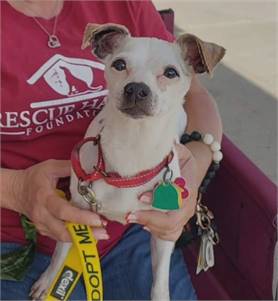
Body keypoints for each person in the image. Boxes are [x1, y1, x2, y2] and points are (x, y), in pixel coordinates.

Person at [0, 0, 222, 300]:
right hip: (14, 237)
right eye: (121, 66)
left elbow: (194, 93)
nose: (138, 88)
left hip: (134, 228)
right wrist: (14, 189)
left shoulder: (124, 4)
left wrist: (194, 168)